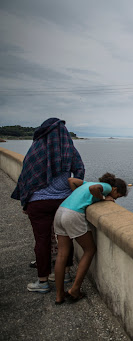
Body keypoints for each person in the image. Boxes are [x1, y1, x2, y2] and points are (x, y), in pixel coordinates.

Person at [11, 118, 85, 293]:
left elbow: (25, 178)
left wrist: (25, 201)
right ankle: (65, 275)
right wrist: (70, 187)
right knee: (65, 239)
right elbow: (80, 171)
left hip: (38, 203)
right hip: (64, 202)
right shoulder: (69, 149)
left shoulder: (36, 148)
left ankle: (42, 281)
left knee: (41, 241)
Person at [53, 172, 127, 304]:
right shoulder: (107, 187)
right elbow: (94, 190)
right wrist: (104, 198)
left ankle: (59, 296)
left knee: (62, 255)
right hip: (73, 215)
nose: (116, 198)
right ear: (115, 189)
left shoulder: (89, 182)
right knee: (90, 250)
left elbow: (71, 180)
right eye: (118, 196)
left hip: (61, 211)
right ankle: (75, 289)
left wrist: (80, 197)